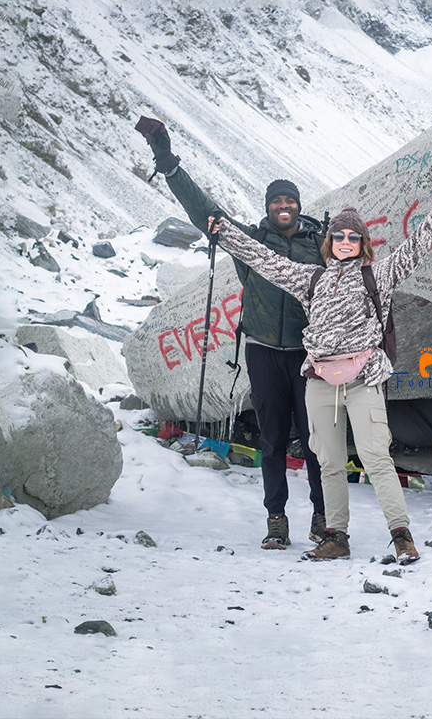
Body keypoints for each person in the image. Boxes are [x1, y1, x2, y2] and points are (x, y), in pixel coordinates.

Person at [207, 184, 432, 562]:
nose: (345, 240)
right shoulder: (310, 279)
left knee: (376, 457)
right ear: (329, 241)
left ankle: (401, 535)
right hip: (321, 381)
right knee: (328, 461)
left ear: (363, 242)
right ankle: (335, 537)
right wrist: (225, 232)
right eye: (338, 235)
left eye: (353, 236)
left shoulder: (380, 275)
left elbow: (418, 245)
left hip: (364, 379)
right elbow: (262, 259)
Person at [137, 118, 326, 550]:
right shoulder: (252, 244)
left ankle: (323, 516)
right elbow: (206, 214)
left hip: (307, 356)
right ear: (268, 207)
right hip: (261, 353)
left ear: (298, 206)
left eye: (289, 200)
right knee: (273, 439)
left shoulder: (320, 244)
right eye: (277, 200)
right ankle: (276, 518)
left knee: (317, 440)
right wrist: (168, 164)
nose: (284, 205)